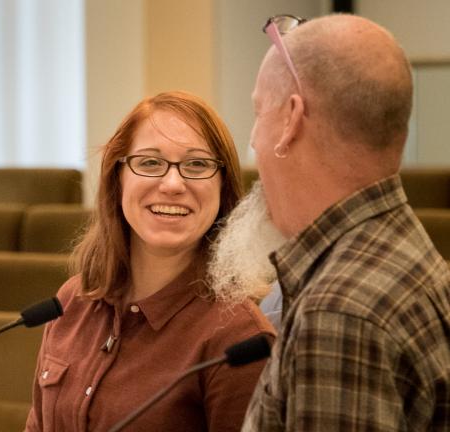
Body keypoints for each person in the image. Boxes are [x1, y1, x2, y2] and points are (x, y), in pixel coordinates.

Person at [232, 14, 450, 431]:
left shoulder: (338, 312)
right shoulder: (399, 247)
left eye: (259, 112)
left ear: (291, 118)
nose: (254, 140)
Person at [24, 91, 274, 431]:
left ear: (223, 188)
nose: (172, 184)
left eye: (197, 164)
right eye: (150, 163)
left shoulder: (238, 337)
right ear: (118, 179)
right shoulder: (71, 302)